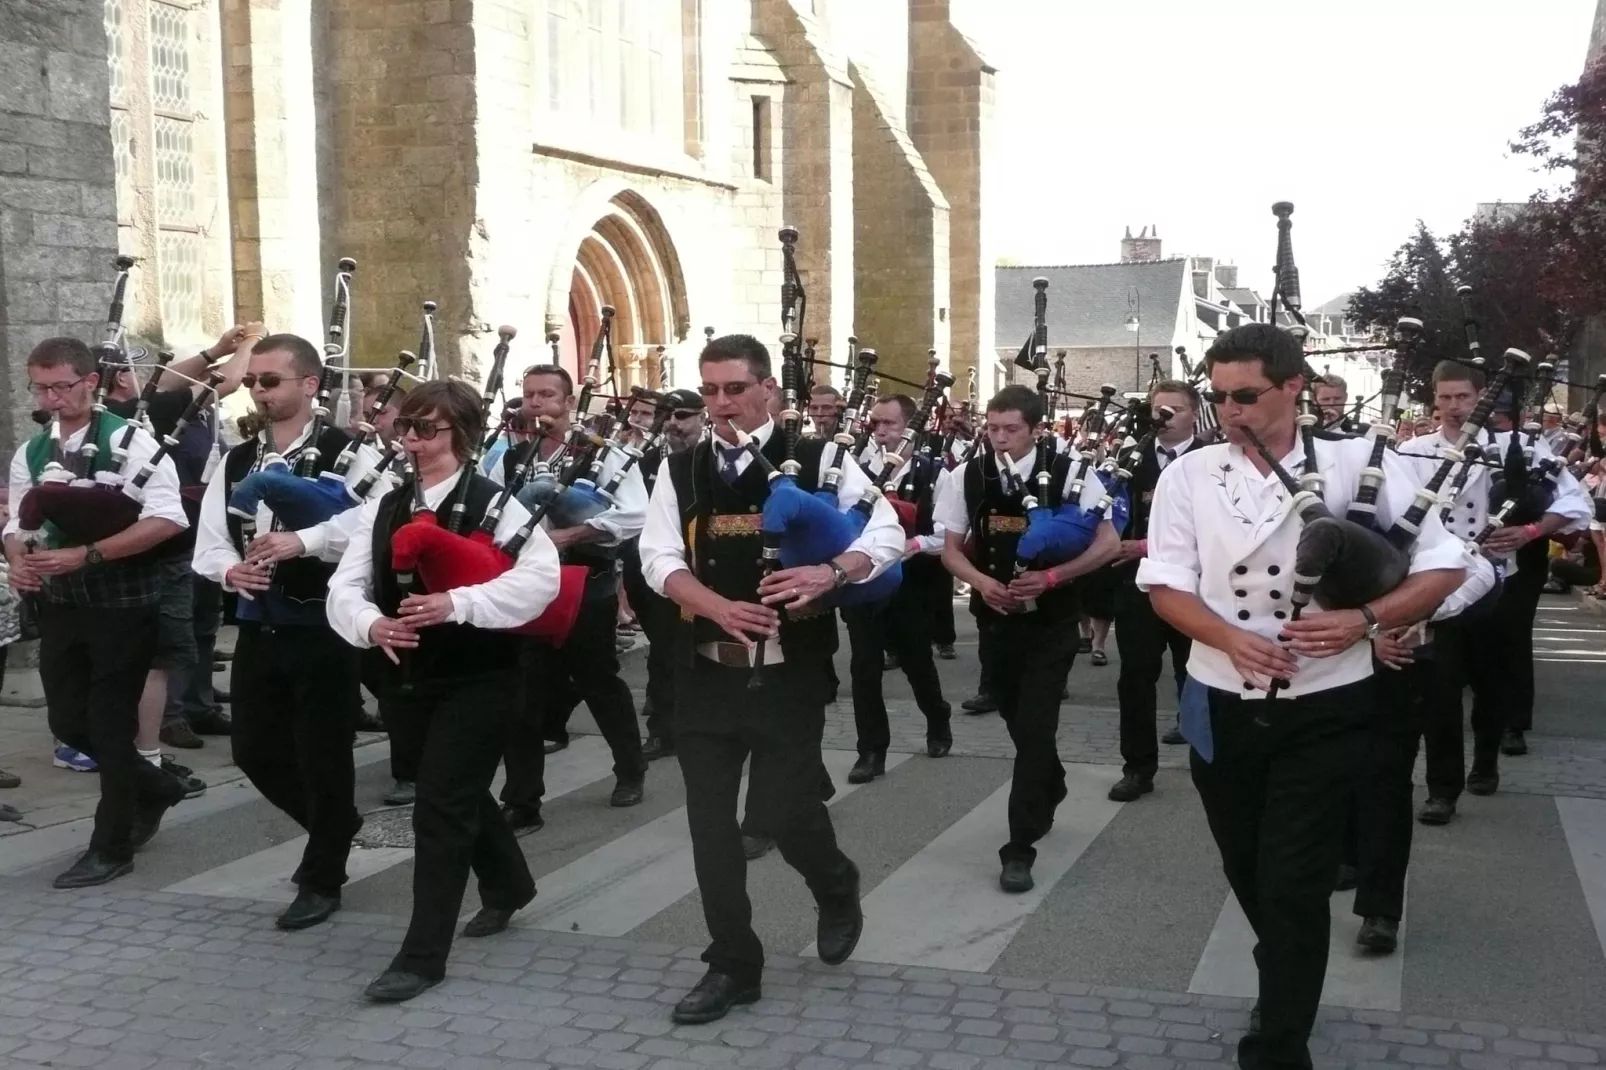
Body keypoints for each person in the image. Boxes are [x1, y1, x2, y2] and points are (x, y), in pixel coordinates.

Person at [1137, 323, 1468, 1070]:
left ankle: (1279, 1040)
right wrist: (1228, 639)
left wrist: (1367, 617)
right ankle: (1284, 970)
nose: (1231, 412)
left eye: (1246, 395)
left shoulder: (1361, 463)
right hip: (1222, 696)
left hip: (1330, 704)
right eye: (1219, 397)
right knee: (1247, 868)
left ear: (1293, 387)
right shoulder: (1190, 476)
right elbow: (1164, 585)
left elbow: (1448, 567)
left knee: (1293, 880)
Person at [638, 333, 901, 1024]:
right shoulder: (682, 469)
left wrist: (831, 571)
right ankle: (733, 964)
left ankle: (836, 884)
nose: (720, 404)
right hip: (705, 674)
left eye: (733, 389)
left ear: (767, 393)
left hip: (791, 675)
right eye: (710, 391)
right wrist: (718, 606)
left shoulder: (822, 458)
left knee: (785, 815)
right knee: (710, 828)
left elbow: (886, 534)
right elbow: (657, 556)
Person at [325, 379, 561, 1003]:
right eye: (405, 427)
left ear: (461, 433)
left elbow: (540, 583)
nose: (411, 441)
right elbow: (346, 585)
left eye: (426, 429)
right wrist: (369, 623)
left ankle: (422, 955)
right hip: (407, 676)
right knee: (451, 789)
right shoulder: (386, 504)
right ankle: (509, 884)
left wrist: (457, 602)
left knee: (438, 806)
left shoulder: (497, 504)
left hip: (484, 676)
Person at [193, 333, 375, 930]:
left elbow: (375, 530)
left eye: (270, 381)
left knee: (324, 755)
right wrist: (230, 569)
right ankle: (335, 824)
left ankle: (324, 874)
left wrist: (307, 541)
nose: (259, 392)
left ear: (309, 385)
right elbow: (210, 543)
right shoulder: (236, 458)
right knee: (254, 750)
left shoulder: (352, 453)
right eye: (251, 382)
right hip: (258, 623)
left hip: (325, 626)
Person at [4, 337, 191, 887]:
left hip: (123, 602)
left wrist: (88, 553)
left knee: (110, 726)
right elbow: (18, 524)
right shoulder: (31, 452)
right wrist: (19, 561)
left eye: (62, 386)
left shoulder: (132, 441)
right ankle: (157, 786)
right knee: (67, 721)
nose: (52, 398)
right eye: (40, 387)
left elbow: (168, 518)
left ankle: (112, 847)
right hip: (61, 603)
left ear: (91, 382)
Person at [937, 384, 1120, 893]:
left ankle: (1020, 846)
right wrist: (981, 583)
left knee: (1035, 730)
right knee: (1020, 724)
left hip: (1053, 624)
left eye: (1011, 429)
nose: (999, 439)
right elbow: (950, 549)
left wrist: (1054, 578)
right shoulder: (965, 475)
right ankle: (1053, 781)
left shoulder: (1074, 473)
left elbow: (1107, 544)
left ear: (1038, 429)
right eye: (992, 429)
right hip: (995, 621)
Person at [1404, 363, 1589, 814]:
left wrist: (1530, 531)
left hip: (1499, 582)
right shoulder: (1413, 451)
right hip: (1435, 586)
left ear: (1482, 397)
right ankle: (1441, 791)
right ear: (1434, 400)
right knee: (1440, 688)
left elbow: (1575, 501)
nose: (1453, 407)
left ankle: (1485, 762)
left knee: (1491, 682)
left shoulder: (1519, 446)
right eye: (1444, 398)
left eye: (1463, 397)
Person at [497, 365, 649, 831]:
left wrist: (574, 533)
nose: (536, 403)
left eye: (547, 395)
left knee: (597, 680)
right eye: (529, 395)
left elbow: (635, 515)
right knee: (522, 691)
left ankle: (630, 769)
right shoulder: (511, 456)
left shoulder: (604, 455)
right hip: (529, 583)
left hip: (589, 578)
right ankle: (523, 800)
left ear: (568, 401)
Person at [104, 330, 254, 768]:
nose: (146, 379)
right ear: (117, 381)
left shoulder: (140, 407)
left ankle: (198, 703)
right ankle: (172, 716)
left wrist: (218, 349)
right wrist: (247, 346)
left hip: (196, 532)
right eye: (133, 373)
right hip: (165, 541)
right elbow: (213, 384)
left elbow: (172, 382)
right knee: (174, 636)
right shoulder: (128, 414)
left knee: (202, 625)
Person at [843, 394, 953, 783]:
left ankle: (937, 716)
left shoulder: (934, 473)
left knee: (916, 661)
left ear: (910, 428)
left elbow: (949, 532)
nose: (880, 431)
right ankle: (870, 751)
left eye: (889, 423)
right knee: (864, 668)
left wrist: (915, 544)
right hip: (861, 582)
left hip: (911, 584)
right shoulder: (854, 469)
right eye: (875, 423)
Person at [1107, 380, 1206, 802]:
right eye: (1157, 409)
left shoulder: (1212, 460)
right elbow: (1111, 515)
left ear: (1194, 415)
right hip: (1138, 585)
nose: (1163, 417)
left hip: (1195, 586)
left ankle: (1208, 762)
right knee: (1135, 678)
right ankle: (1138, 767)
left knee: (1198, 674)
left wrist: (1145, 544)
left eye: (1175, 410)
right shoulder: (1132, 458)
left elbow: (1214, 529)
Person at [621, 388, 707, 762]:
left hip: (701, 571)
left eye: (683, 415)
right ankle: (663, 729)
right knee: (662, 652)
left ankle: (704, 723)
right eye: (668, 415)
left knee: (698, 652)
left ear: (702, 417)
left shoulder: (708, 460)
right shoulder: (643, 460)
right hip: (652, 572)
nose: (674, 423)